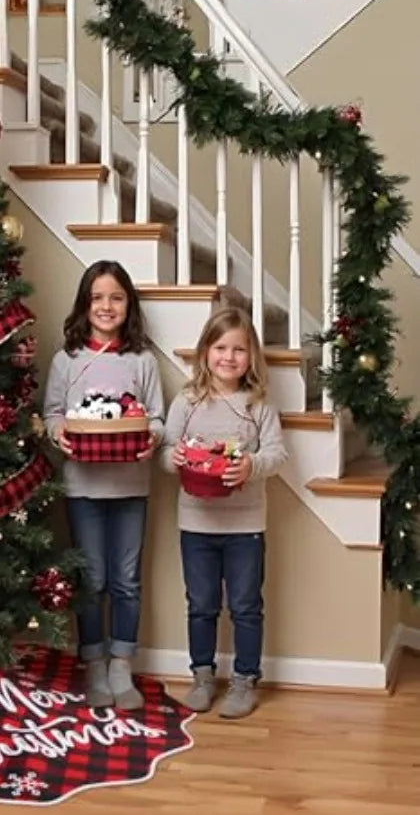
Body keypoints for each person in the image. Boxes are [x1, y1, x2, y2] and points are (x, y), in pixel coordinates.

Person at [43, 260, 164, 709]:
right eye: (97, 297)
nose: (106, 306)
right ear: (84, 304)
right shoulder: (66, 360)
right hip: (83, 486)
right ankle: (93, 662)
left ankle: (121, 664)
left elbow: (157, 417)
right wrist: (58, 434)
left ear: (128, 304)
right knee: (91, 578)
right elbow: (54, 413)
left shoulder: (142, 361)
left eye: (116, 297)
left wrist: (152, 437)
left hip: (131, 484)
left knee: (127, 579)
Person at [161, 306, 287, 719]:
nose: (229, 357)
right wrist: (174, 456)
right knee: (201, 604)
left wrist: (250, 466)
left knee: (247, 605)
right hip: (195, 523)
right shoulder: (187, 401)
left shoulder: (257, 405)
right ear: (204, 352)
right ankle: (202, 677)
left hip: (246, 525)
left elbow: (276, 454)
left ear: (251, 357)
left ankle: (244, 680)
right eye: (220, 347)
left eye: (239, 349)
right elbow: (165, 453)